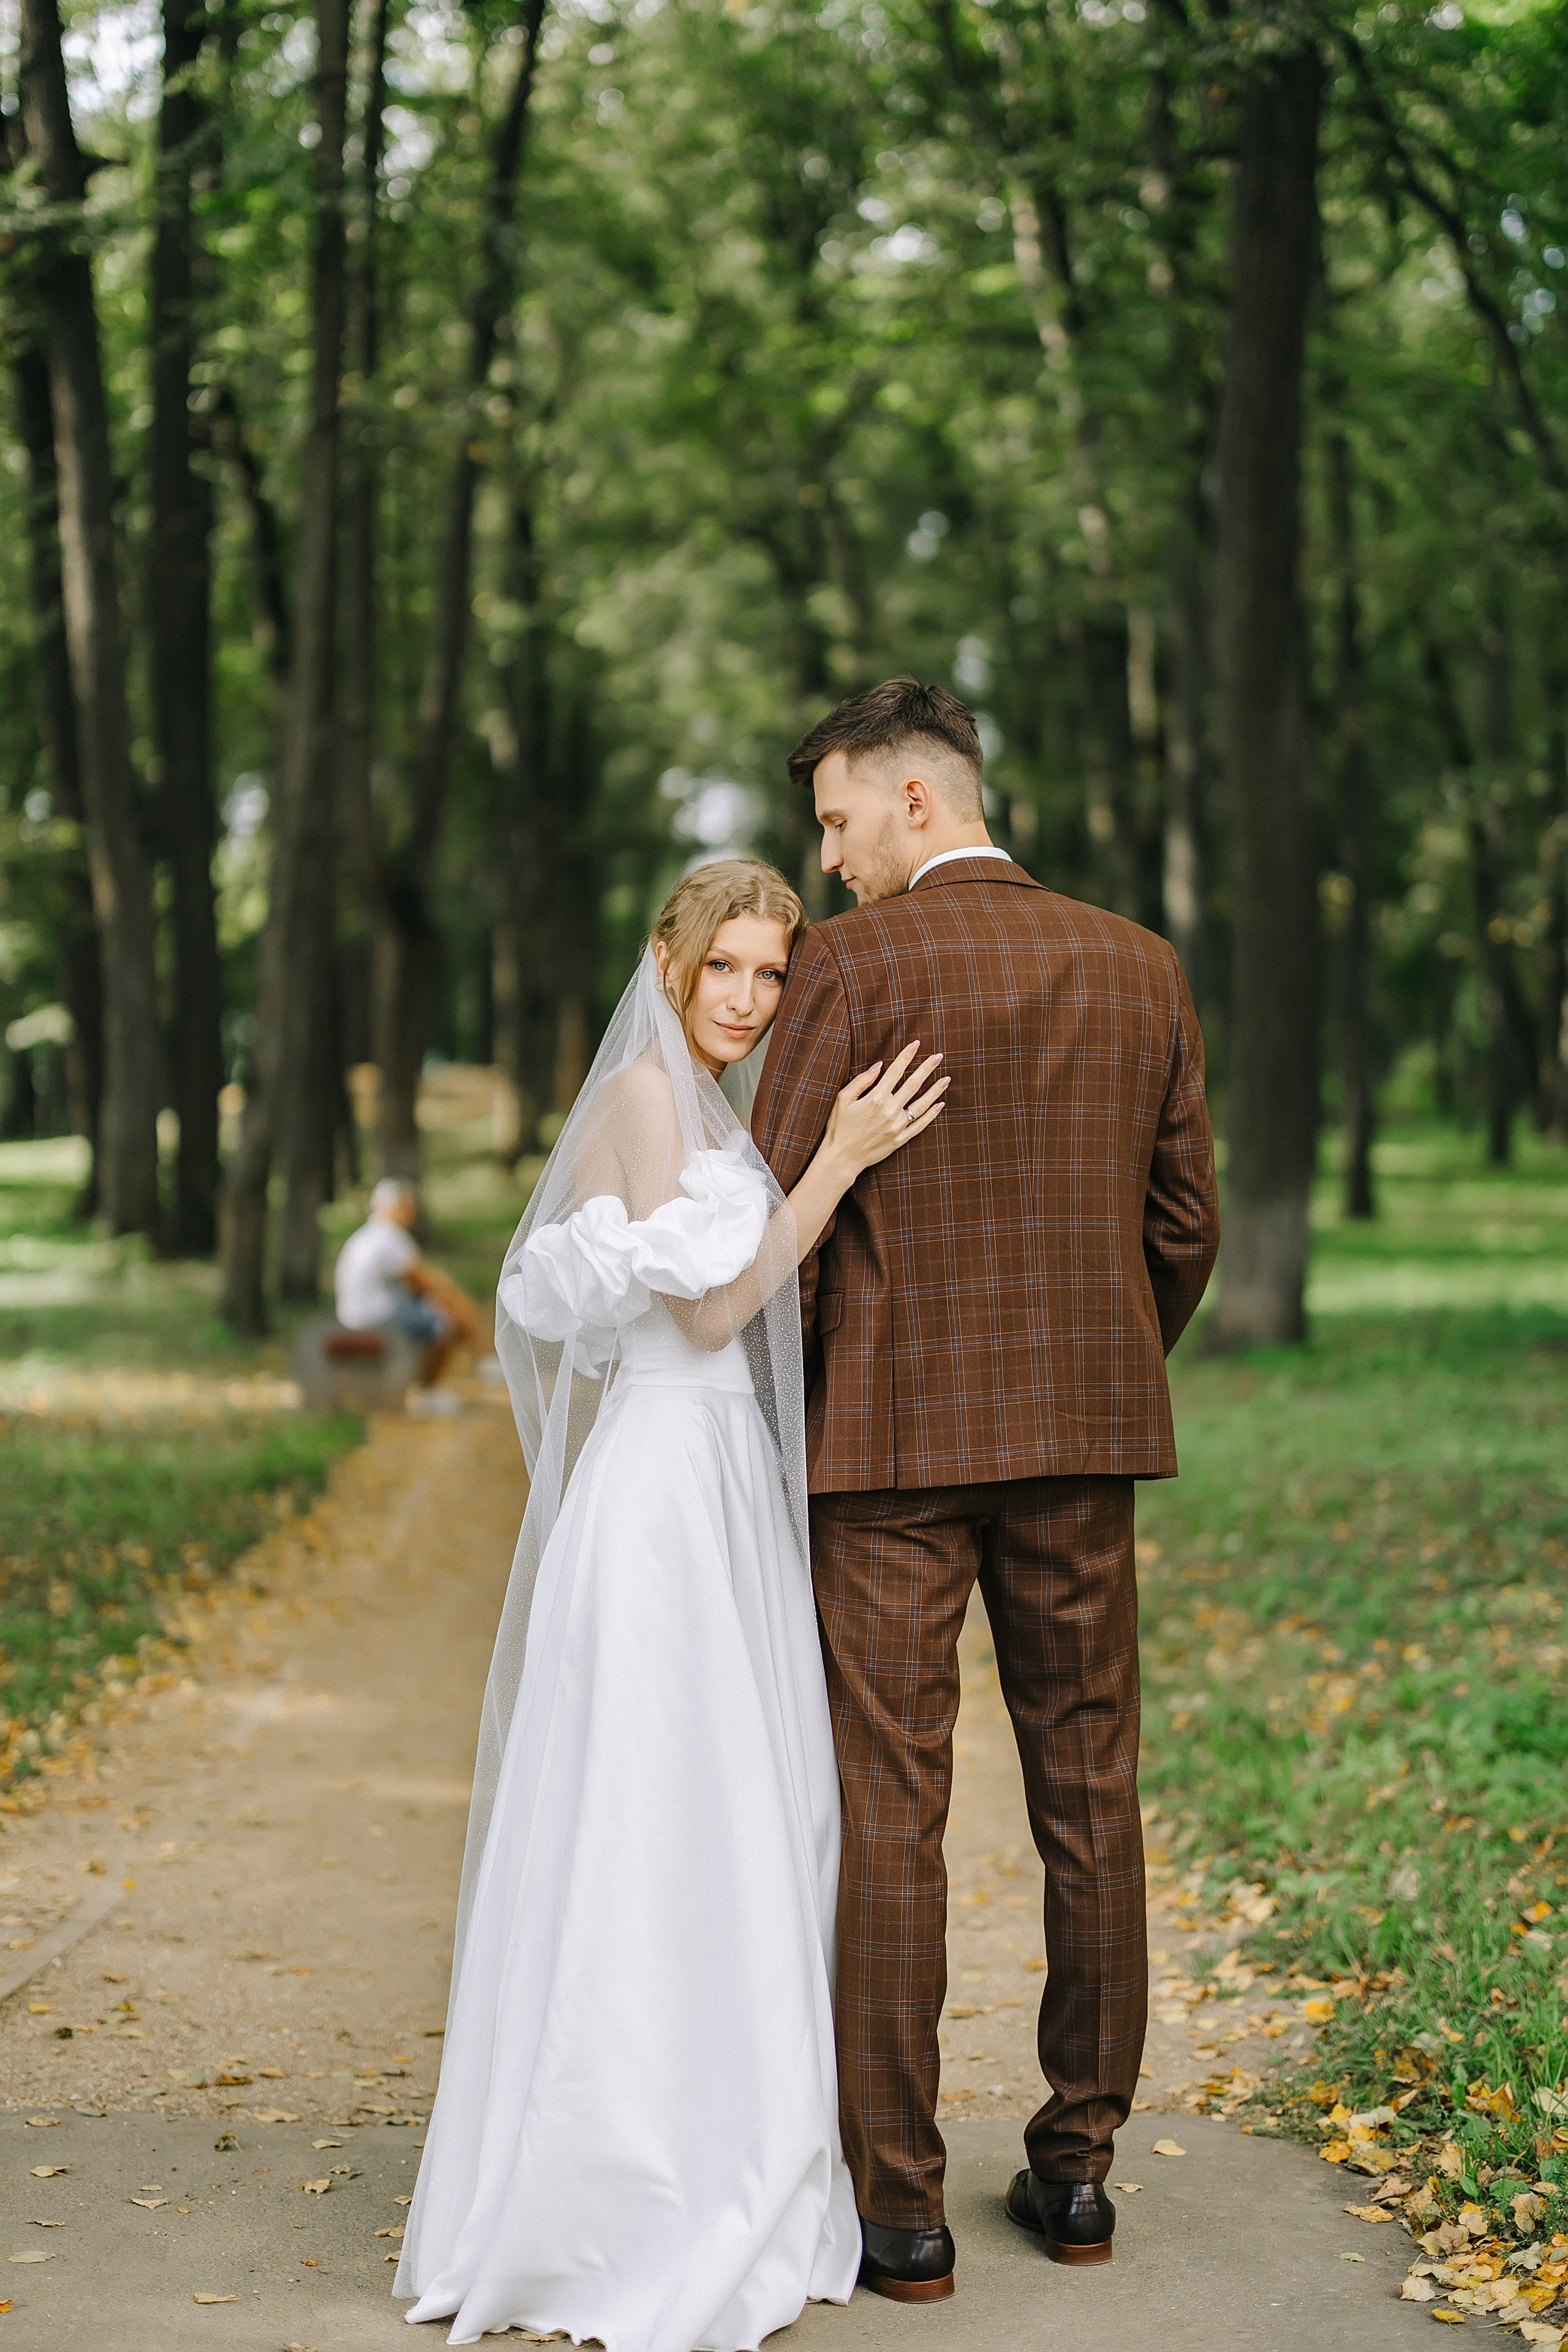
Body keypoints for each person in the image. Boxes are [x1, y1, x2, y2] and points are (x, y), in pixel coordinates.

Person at [395, 860, 946, 2350]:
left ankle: (715, 2133)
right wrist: (835, 1159)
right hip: (661, 1488)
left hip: (710, 1481)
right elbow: (707, 1312)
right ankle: (630, 2184)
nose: (750, 1000)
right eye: (728, 970)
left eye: (771, 975)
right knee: (657, 1812)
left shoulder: (697, 1105)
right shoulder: (647, 1096)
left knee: (725, 1812)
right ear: (669, 958)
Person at [753, 678, 1221, 2298]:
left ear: (917, 801)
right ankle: (1080, 2176)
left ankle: (903, 2212)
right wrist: (1098, 1362)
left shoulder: (849, 969)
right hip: (1081, 1447)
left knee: (893, 1810)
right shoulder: (1139, 967)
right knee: (1093, 1793)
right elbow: (1186, 1225)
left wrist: (794, 1422)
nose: (827, 863)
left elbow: (781, 1225)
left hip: (883, 1457)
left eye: (837, 821)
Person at [334, 1177, 484, 1394]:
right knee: (444, 1323)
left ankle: (481, 1359)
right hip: (375, 1317)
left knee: (434, 1310)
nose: (412, 1212)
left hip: (352, 1315)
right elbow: (422, 1281)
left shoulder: (365, 1236)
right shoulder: (390, 1236)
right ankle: (428, 1390)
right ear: (395, 1207)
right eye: (408, 1206)